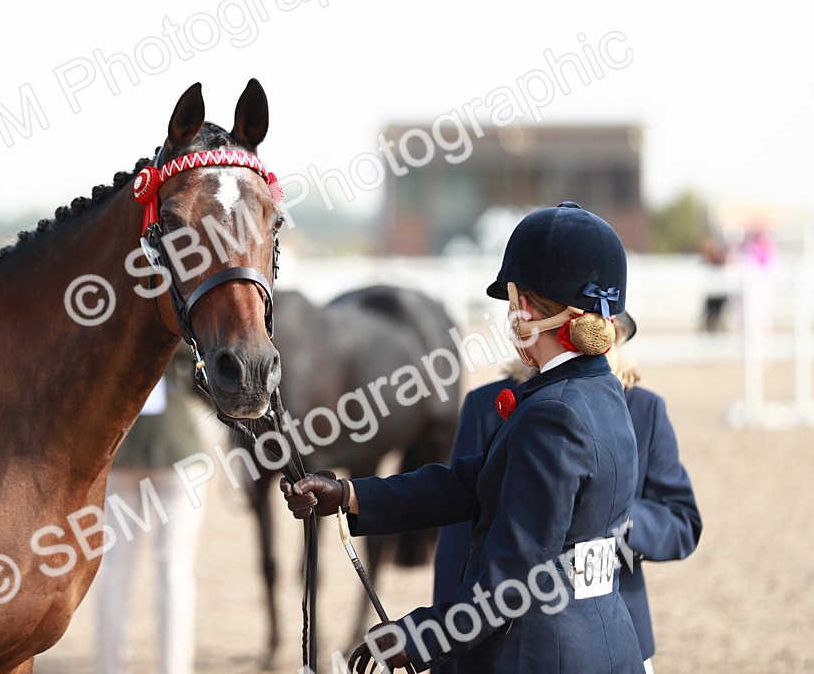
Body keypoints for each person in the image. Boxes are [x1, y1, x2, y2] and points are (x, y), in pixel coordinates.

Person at [282, 201, 643, 672]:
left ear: (527, 309)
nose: (511, 315)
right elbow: (470, 483)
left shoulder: (553, 414)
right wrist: (350, 495)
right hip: (604, 640)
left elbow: (511, 579)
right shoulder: (602, 393)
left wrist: (417, 636)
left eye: (513, 301)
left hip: (540, 654)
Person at [434, 311, 702, 672]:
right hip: (508, 636)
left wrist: (606, 516)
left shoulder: (644, 407)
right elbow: (457, 537)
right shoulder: (487, 405)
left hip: (616, 628)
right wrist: (445, 644)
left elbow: (682, 521)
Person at [95, 347, 208, 674]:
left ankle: (108, 667)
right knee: (174, 567)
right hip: (178, 450)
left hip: (119, 450)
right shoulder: (175, 321)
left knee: (115, 567)